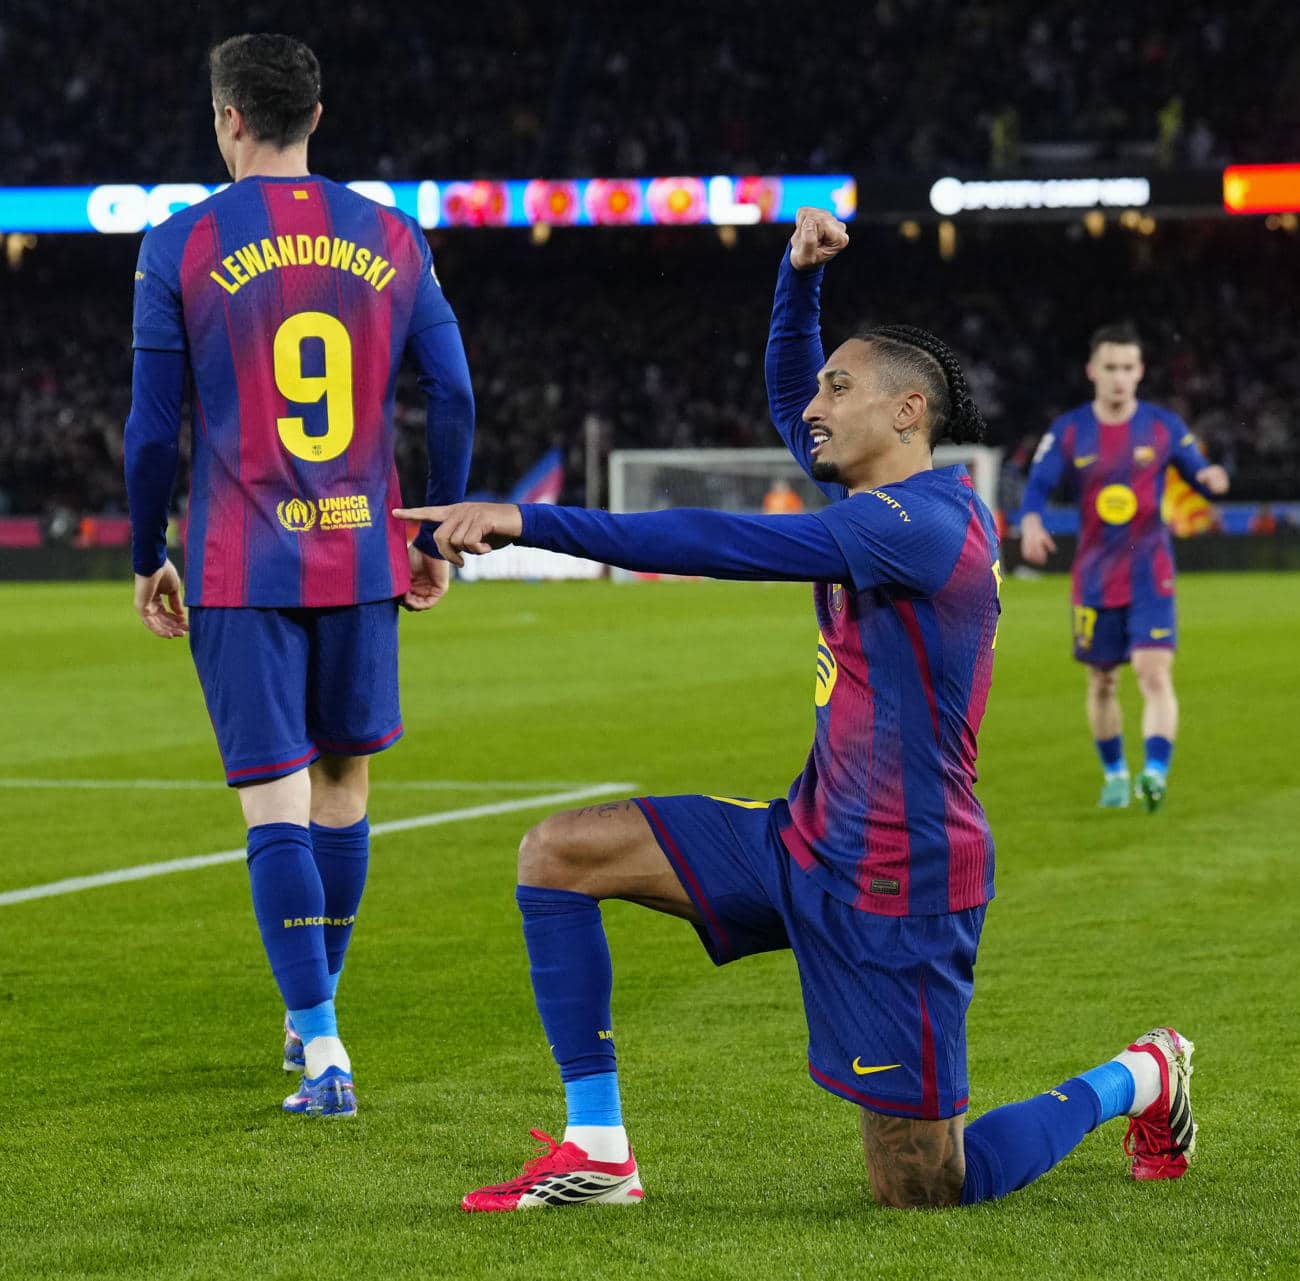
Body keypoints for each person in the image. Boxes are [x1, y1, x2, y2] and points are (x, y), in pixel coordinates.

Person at [399, 207, 1197, 1212]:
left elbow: (722, 542)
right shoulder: (876, 501)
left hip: (900, 880)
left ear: (907, 412)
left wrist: (527, 520)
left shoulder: (925, 526)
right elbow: (787, 390)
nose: (812, 406)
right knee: (558, 854)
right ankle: (597, 1150)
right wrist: (799, 276)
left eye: (839, 388)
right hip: (804, 841)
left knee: (924, 1186)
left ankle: (1141, 1074)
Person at [123, 33, 474, 1117]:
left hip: (241, 560)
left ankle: (322, 1046)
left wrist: (145, 553)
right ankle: (312, 1015)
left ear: (229, 118)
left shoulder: (178, 244)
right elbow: (454, 394)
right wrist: (431, 533)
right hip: (363, 550)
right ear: (317, 116)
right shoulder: (392, 235)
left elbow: (152, 431)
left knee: (273, 801)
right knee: (343, 789)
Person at [1017, 326, 1230, 812]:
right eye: (1110, 367)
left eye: (1127, 368)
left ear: (1140, 372)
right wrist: (1031, 521)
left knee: (1153, 673)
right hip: (1094, 575)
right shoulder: (1070, 430)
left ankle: (1154, 772)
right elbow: (1038, 486)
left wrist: (1211, 477)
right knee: (1102, 681)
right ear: (1092, 371)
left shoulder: (1162, 426)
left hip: (1150, 571)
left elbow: (1198, 469)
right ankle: (1115, 774)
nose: (1119, 377)